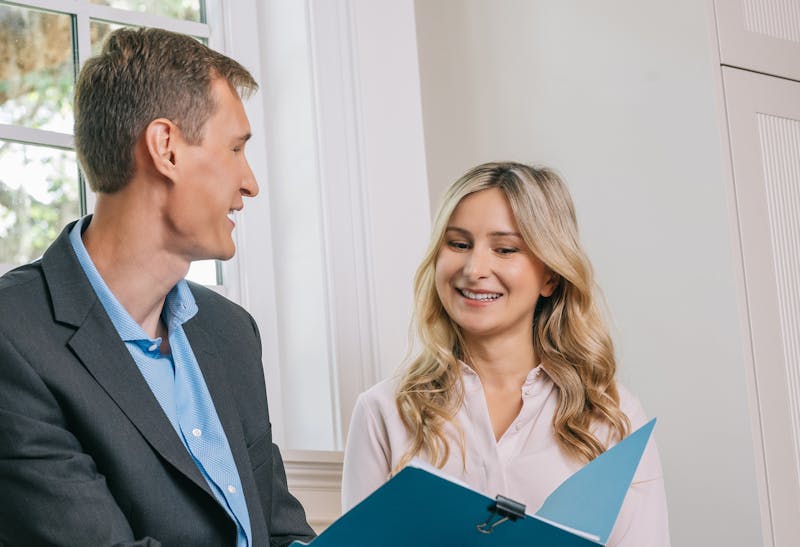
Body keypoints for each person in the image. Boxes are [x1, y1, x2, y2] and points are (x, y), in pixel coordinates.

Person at [0, 28, 315, 546]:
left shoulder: (232, 332)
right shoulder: (14, 337)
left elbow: (278, 531)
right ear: (166, 148)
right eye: (235, 149)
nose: (250, 183)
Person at [341, 162, 670, 545]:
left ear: (550, 275)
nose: (474, 267)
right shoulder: (383, 412)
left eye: (505, 249)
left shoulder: (612, 414)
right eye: (459, 244)